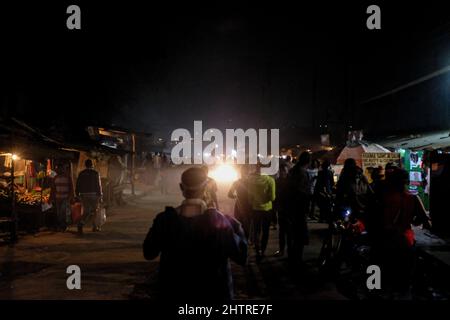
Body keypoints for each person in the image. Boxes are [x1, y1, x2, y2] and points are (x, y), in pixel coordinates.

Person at [143, 167, 247, 301]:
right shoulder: (218, 221)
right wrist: (237, 227)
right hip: (213, 293)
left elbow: (149, 252)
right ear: (206, 189)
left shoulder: (165, 219)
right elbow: (241, 256)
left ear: (181, 187)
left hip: (173, 292)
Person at [375, 167, 431, 296]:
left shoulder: (382, 198)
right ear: (406, 181)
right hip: (405, 242)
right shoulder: (413, 199)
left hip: (385, 241)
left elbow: (374, 219)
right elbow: (425, 221)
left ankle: (374, 289)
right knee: (404, 278)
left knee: (380, 273)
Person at [285, 151, 311, 267]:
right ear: (308, 161)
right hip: (299, 208)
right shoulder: (302, 173)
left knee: (293, 235)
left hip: (291, 207)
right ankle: (297, 260)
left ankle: (292, 258)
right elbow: (300, 190)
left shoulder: (292, 171)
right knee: (300, 236)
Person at [247, 163, 276, 259]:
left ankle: (257, 249)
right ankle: (263, 251)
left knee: (257, 230)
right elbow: (272, 197)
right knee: (265, 231)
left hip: (255, 209)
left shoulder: (251, 180)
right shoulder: (270, 180)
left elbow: (249, 196)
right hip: (267, 210)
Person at [75, 159, 103, 234]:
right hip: (94, 194)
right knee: (95, 211)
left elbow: (78, 184)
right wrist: (100, 195)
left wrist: (77, 194)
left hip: (84, 194)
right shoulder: (96, 173)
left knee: (86, 211)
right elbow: (98, 184)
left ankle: (81, 223)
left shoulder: (81, 173)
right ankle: (94, 226)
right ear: (92, 165)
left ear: (85, 165)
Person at [228, 165, 252, 240]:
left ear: (240, 173)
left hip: (239, 205)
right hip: (249, 206)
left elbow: (229, 194)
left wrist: (236, 196)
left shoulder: (236, 182)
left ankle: (241, 240)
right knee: (249, 224)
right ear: (248, 172)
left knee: (239, 224)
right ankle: (248, 240)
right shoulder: (252, 182)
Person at [50, 163, 74, 232]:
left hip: (65, 198)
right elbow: (53, 189)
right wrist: (51, 198)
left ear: (63, 169)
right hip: (58, 198)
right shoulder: (55, 177)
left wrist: (71, 197)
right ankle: (61, 225)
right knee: (59, 213)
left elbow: (71, 188)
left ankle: (63, 226)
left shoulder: (68, 177)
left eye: (61, 168)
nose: (59, 170)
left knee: (63, 212)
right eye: (58, 169)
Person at [273, 163, 290, 257]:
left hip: (288, 209)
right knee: (282, 231)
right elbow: (275, 195)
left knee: (288, 231)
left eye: (284, 170)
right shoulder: (277, 181)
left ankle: (287, 250)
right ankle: (282, 250)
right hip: (281, 209)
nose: (283, 172)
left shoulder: (290, 182)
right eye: (281, 170)